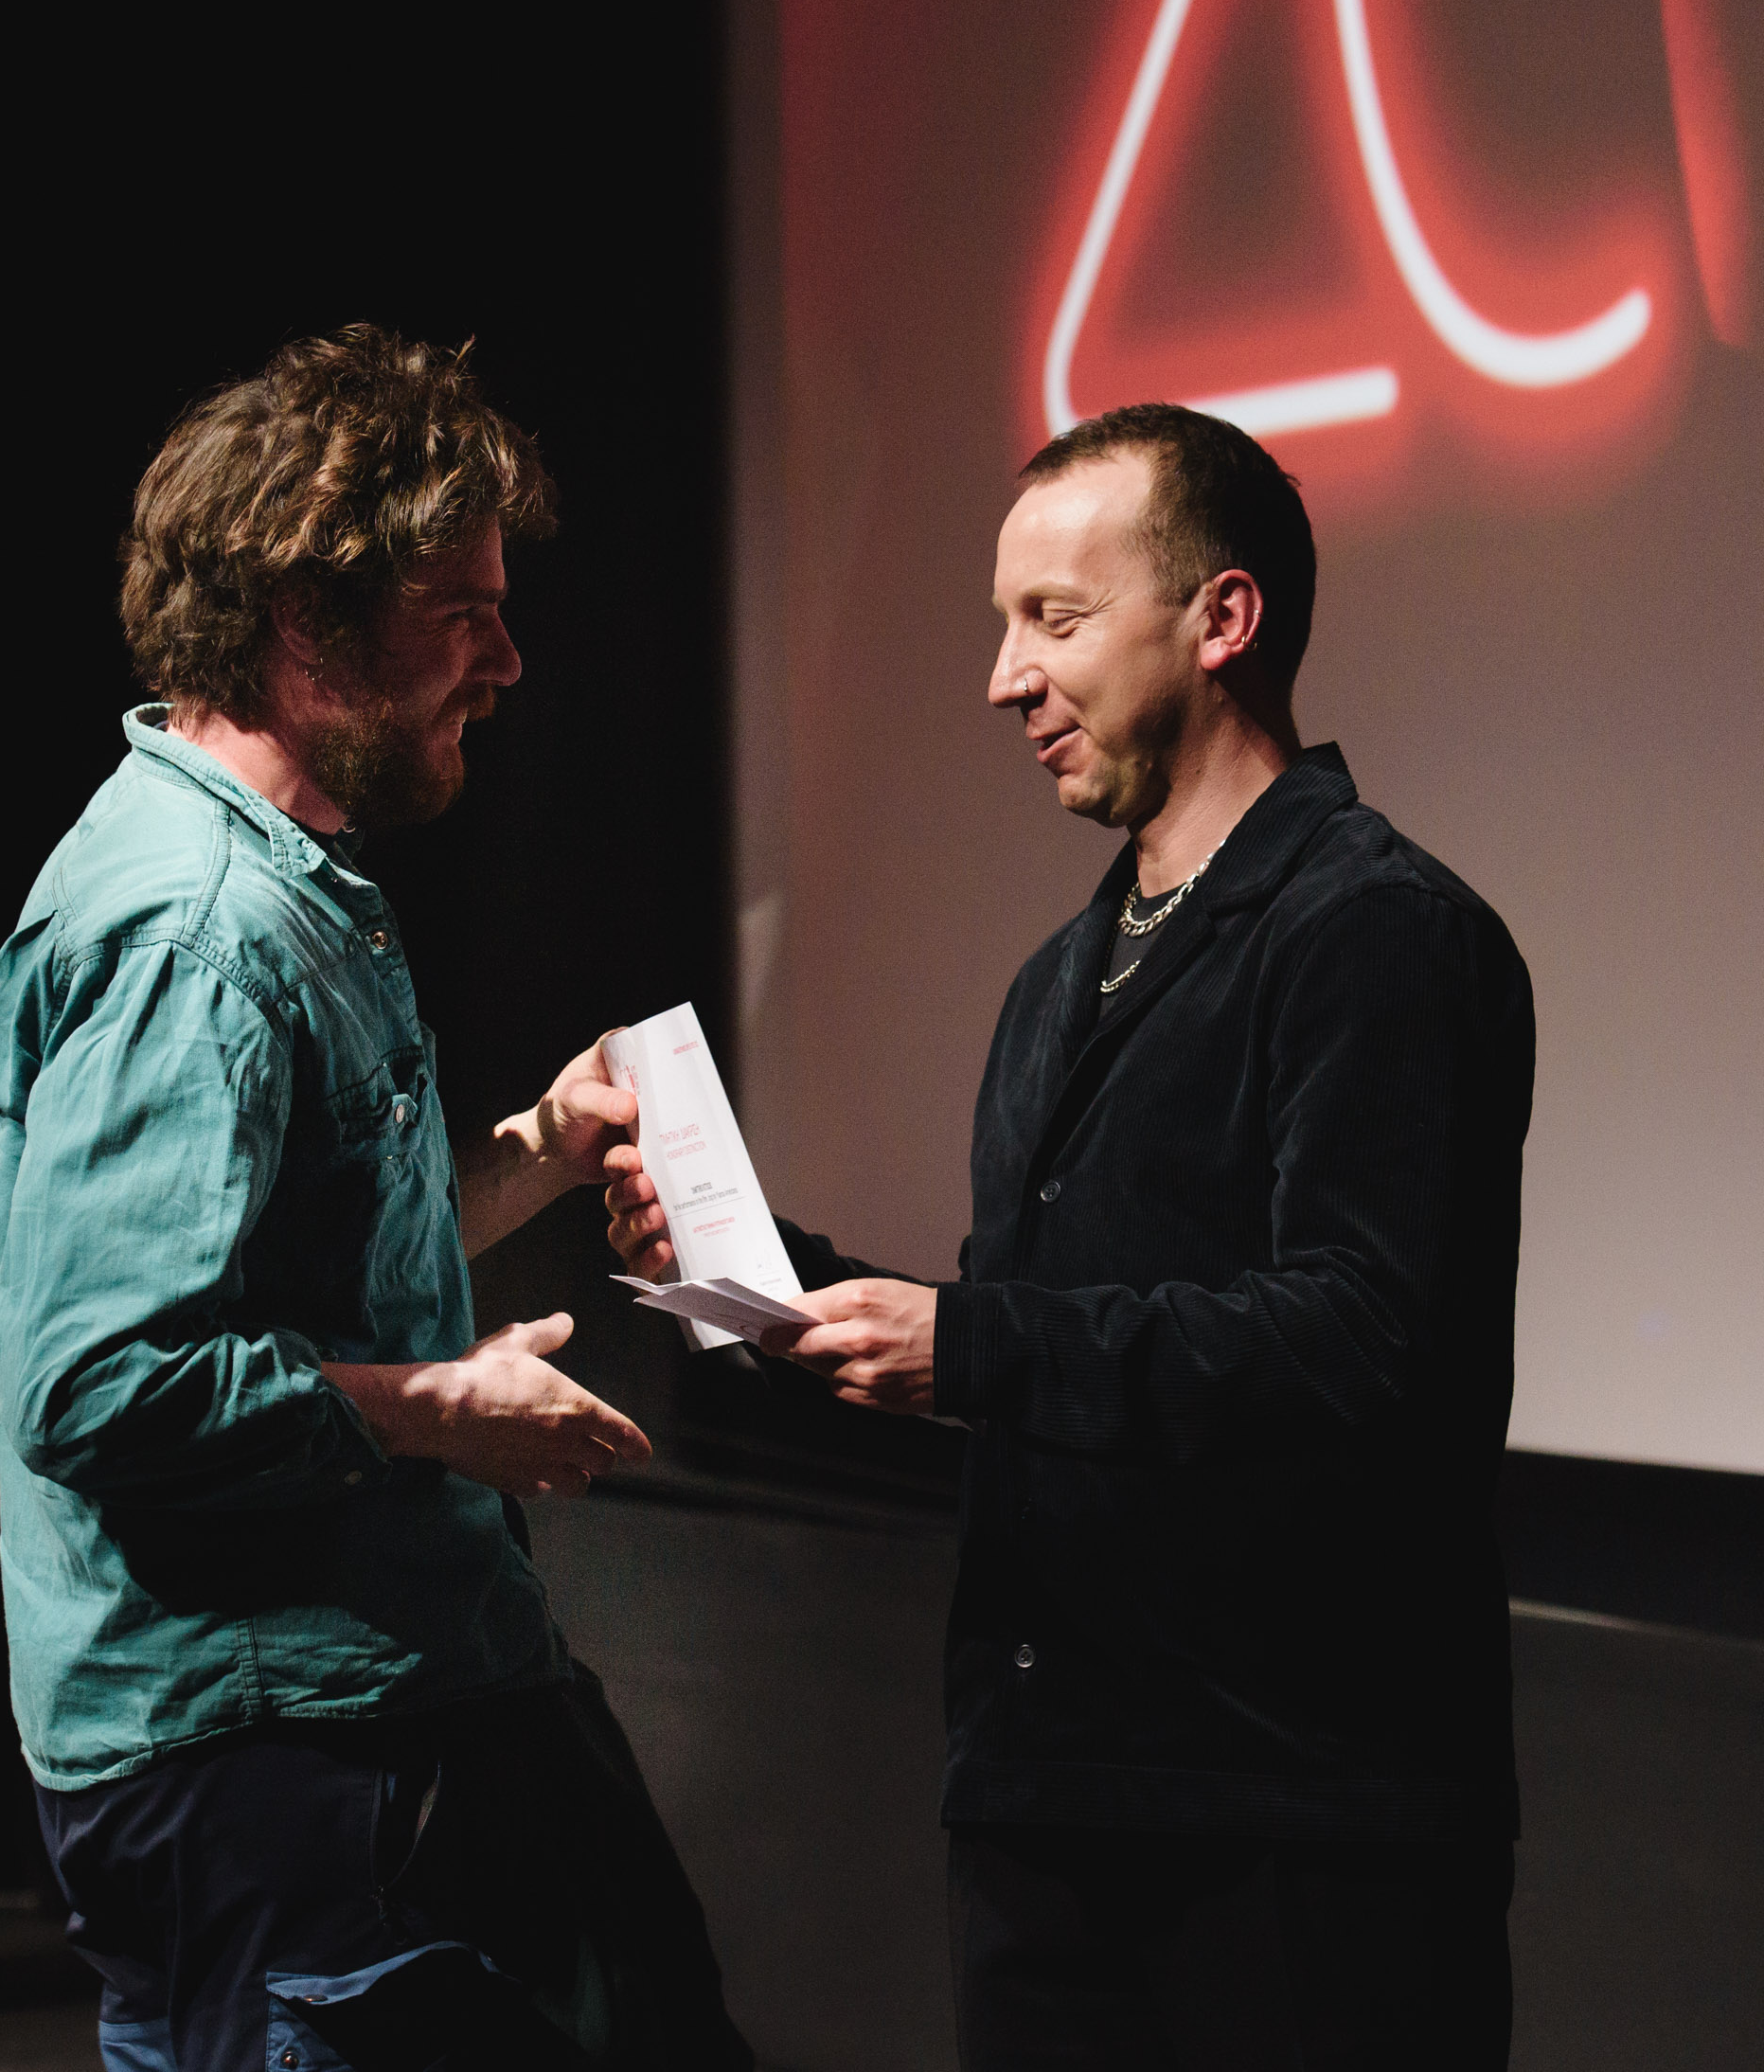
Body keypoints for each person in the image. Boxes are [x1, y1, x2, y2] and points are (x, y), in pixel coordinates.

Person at [606, 403, 1538, 2068]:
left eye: (1054, 618)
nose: (1002, 677)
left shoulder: (1379, 934)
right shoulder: (1059, 980)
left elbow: (1361, 1336)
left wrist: (971, 1343)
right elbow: (1039, 1341)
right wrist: (757, 1277)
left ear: (1222, 618)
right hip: (1050, 1802)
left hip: (1295, 1825)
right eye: (1002, 624)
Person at [0, 326, 749, 2072]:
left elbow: (300, 1272)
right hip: (280, 1748)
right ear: (305, 622)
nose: (509, 661)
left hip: (372, 1707)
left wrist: (543, 1144)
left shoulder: (272, 884)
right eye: (462, 614)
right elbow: (100, 1387)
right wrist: (439, 1410)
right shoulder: (197, 935)